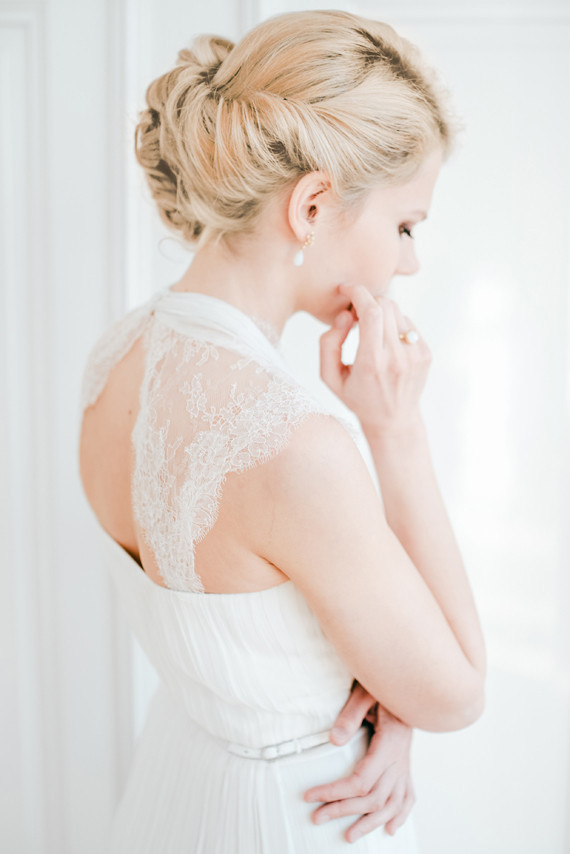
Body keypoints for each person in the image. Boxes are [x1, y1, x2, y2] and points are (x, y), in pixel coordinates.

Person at [78, 9, 486, 852]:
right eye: (406, 226)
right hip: (297, 816)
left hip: (176, 794)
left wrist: (385, 688)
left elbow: (249, 644)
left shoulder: (112, 360)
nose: (408, 262)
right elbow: (456, 693)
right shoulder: (295, 445)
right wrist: (396, 431)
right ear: (312, 203)